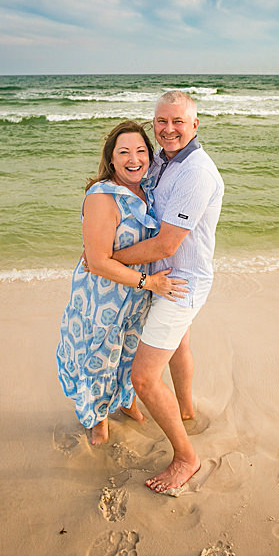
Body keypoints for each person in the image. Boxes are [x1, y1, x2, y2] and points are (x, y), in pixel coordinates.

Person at [55, 120, 188, 447]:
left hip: (136, 298)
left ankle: (125, 403)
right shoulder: (102, 197)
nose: (134, 158)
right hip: (103, 298)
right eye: (124, 151)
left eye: (141, 151)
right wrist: (148, 281)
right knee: (99, 359)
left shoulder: (149, 189)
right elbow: (98, 262)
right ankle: (98, 420)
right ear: (111, 159)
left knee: (128, 356)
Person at [130, 88, 225, 497]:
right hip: (166, 278)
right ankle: (185, 409)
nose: (168, 130)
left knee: (145, 378)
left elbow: (167, 244)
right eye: (161, 122)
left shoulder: (196, 173)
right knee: (180, 344)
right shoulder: (163, 160)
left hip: (180, 283)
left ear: (195, 125)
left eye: (177, 122)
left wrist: (107, 258)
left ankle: (186, 457)